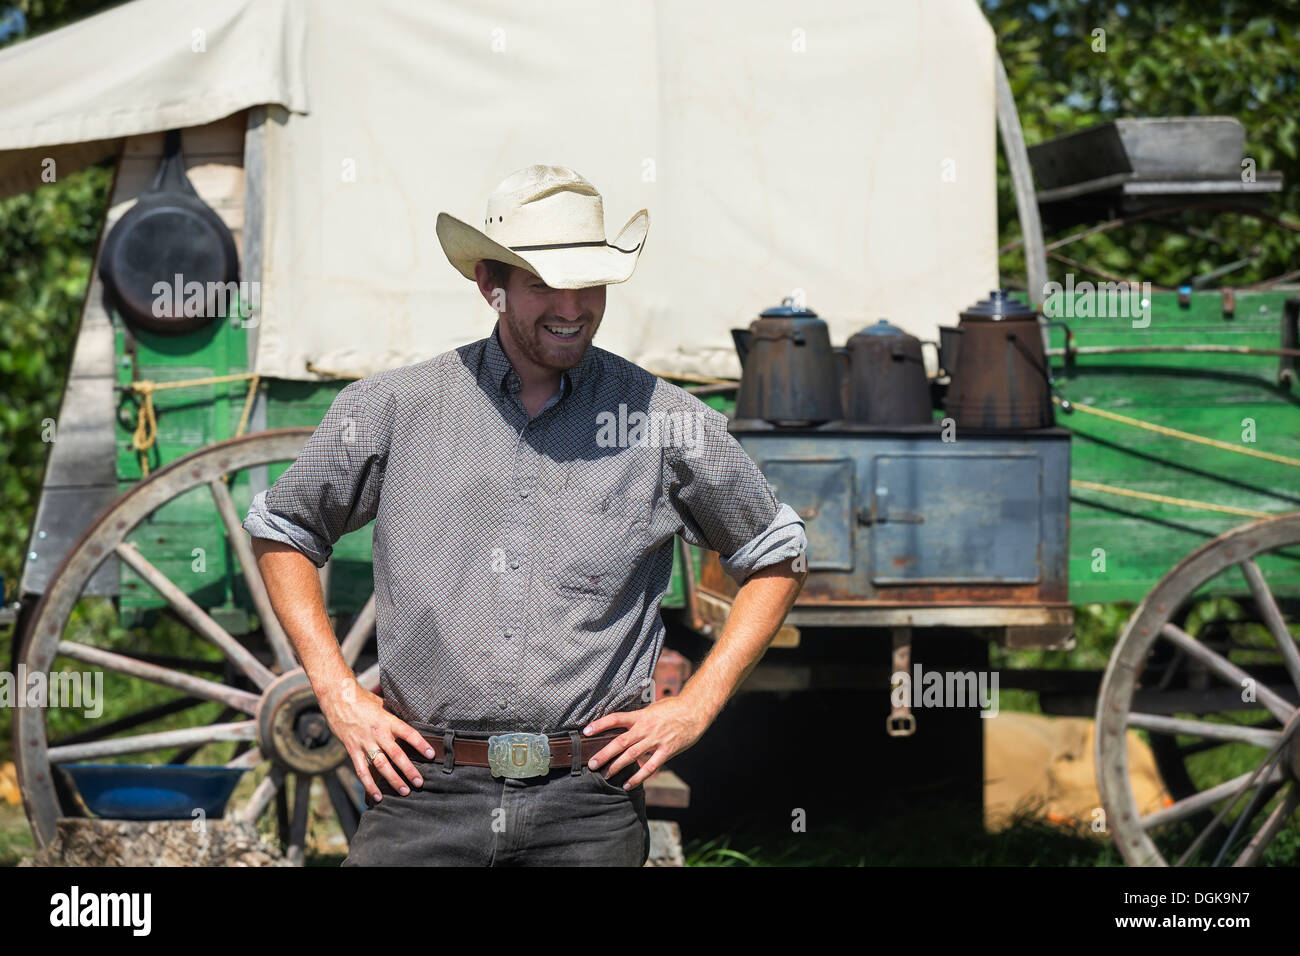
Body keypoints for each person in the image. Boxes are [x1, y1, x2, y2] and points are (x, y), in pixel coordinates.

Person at [243, 164, 807, 866]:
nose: (571, 307)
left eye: (589, 285)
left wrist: (696, 704)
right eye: (543, 284)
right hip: (422, 787)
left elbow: (776, 553)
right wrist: (337, 692)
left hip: (588, 801)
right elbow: (284, 529)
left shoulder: (664, 421)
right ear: (491, 284)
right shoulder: (393, 408)